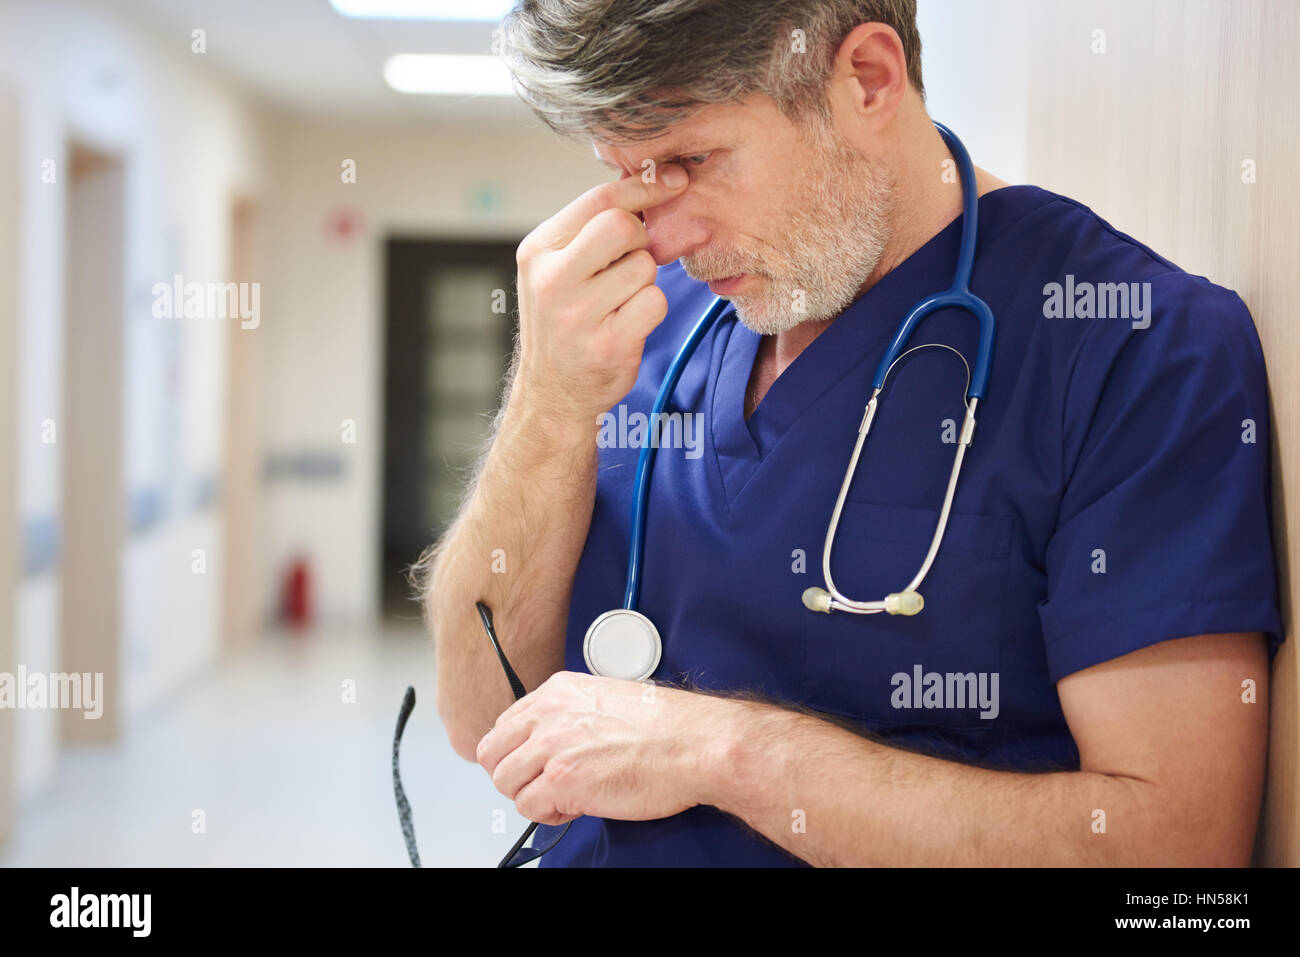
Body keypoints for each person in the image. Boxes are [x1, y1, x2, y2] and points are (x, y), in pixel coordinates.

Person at [414, 0, 1283, 866]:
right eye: (632, 176)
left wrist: (723, 755)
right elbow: (481, 717)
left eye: (693, 160)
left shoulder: (1131, 344)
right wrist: (544, 401)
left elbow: (1180, 866)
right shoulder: (631, 329)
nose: (668, 240)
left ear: (867, 78)